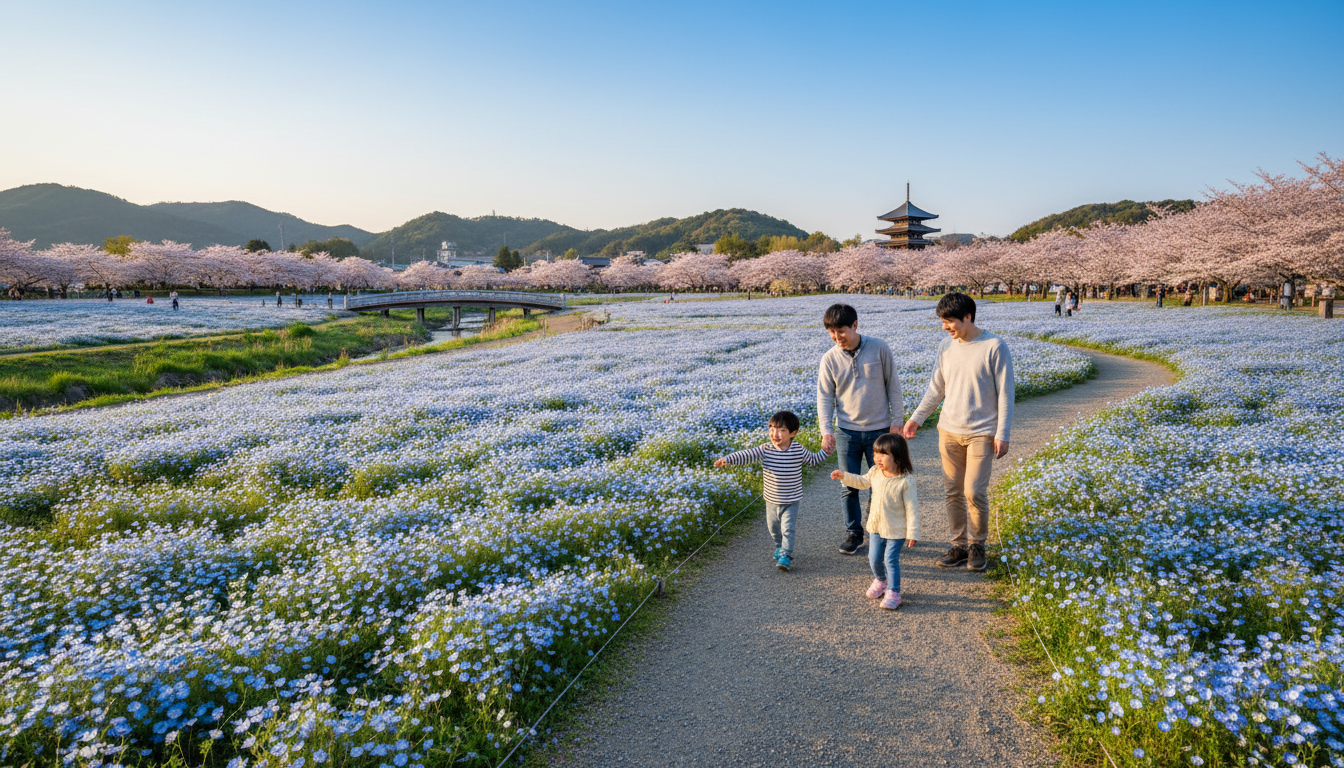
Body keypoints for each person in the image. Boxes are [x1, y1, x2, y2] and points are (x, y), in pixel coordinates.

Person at [902, 292, 1014, 573]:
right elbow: (936, 387)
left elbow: (1005, 395)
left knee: (974, 491)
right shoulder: (946, 347)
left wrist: (1003, 433)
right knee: (952, 491)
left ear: (968, 317)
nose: (945, 327)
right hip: (948, 430)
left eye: (949, 321)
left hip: (981, 432)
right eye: (942, 322)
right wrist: (917, 418)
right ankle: (958, 545)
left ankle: (978, 545)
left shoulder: (994, 346)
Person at [817, 303, 904, 555]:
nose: (836, 337)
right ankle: (854, 532)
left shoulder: (879, 348)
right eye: (831, 332)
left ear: (855, 325)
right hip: (846, 431)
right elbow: (825, 397)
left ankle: (882, 529)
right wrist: (826, 431)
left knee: (883, 484)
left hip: (880, 430)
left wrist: (897, 421)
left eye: (841, 331)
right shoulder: (829, 358)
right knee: (849, 485)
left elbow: (894, 387)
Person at [714, 410, 831, 571]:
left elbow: (812, 460)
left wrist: (825, 452)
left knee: (788, 529)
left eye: (782, 430)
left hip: (791, 500)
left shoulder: (798, 449)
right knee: (774, 529)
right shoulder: (765, 449)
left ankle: (786, 555)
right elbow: (747, 455)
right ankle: (779, 545)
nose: (775, 434)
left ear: (793, 433)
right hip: (771, 500)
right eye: (772, 429)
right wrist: (727, 459)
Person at [830, 433, 918, 610]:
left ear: (897, 456)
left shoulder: (906, 481)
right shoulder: (875, 472)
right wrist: (844, 476)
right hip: (876, 525)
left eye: (883, 454)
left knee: (890, 559)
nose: (877, 458)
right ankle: (881, 581)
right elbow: (862, 482)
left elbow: (912, 508)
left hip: (896, 529)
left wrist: (912, 532)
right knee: (873, 558)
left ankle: (894, 591)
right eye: (875, 454)